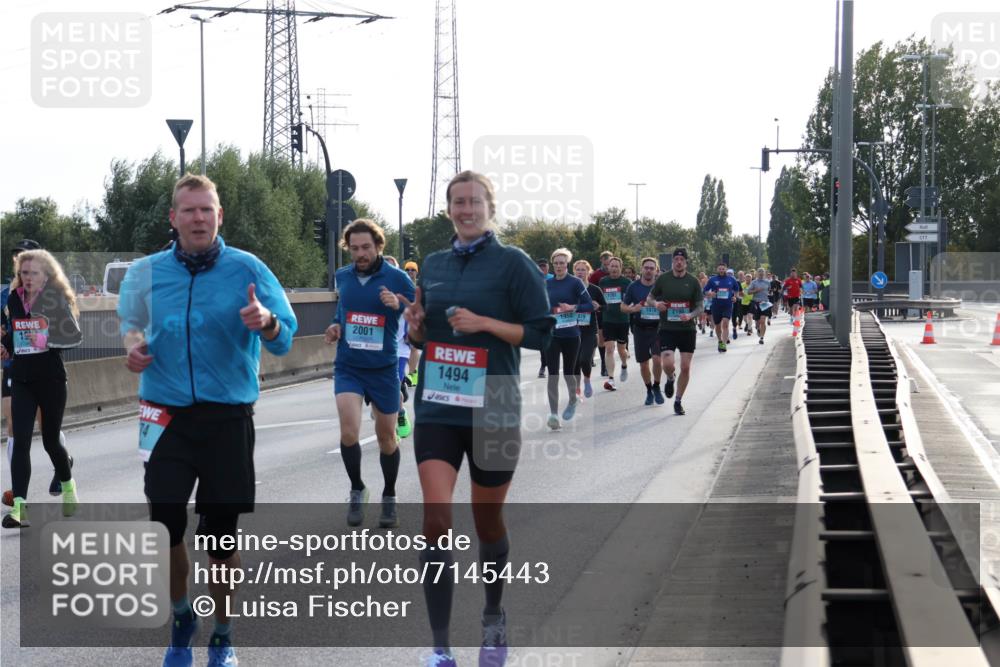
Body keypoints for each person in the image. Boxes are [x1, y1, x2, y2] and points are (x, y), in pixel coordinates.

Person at [118, 174, 298, 667]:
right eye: (189, 210)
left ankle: (222, 633)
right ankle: (181, 619)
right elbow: (130, 324)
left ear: (220, 216)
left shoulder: (248, 268)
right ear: (172, 218)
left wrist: (267, 322)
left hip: (227, 418)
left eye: (207, 210)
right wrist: (133, 347)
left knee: (219, 538)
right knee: (166, 525)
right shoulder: (145, 272)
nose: (198, 218)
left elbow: (285, 337)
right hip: (165, 416)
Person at [398, 171, 552, 667]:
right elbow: (424, 339)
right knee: (435, 520)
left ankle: (492, 614)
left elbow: (541, 334)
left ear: (490, 207)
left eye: (474, 202)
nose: (466, 209)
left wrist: (485, 323)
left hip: (496, 404)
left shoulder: (514, 264)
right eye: (458, 202)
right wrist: (417, 330)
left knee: (487, 522)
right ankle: (441, 645)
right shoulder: (436, 265)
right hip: (440, 405)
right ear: (449, 210)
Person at [324, 221, 415, 529]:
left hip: (383, 368)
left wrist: (398, 304)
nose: (360, 254)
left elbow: (420, 313)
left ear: (378, 246)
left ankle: (389, 495)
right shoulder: (343, 276)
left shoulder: (397, 277)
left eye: (366, 247)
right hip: (349, 365)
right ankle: (357, 488)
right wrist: (336, 327)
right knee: (349, 432)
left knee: (387, 437)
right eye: (354, 248)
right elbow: (342, 311)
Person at [1, 249, 82, 528]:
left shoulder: (55, 298)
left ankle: (68, 486)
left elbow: (74, 336)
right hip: (23, 379)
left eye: (34, 273)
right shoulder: (13, 298)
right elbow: (16, 335)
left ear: (45, 274)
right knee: (21, 441)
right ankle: (20, 509)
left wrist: (46, 338)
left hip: (51, 379)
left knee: (50, 441)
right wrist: (6, 347)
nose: (28, 278)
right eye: (24, 273)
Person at [648, 248, 703, 415]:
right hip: (667, 328)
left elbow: (700, 306)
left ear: (686, 262)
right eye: (676, 259)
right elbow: (649, 298)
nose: (679, 262)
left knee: (685, 368)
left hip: (687, 329)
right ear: (672, 262)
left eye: (682, 260)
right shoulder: (663, 279)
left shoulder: (693, 281)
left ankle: (678, 401)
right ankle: (671, 378)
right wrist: (656, 304)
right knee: (667, 364)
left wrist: (691, 314)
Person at [543, 248, 592, 430]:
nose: (558, 266)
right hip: (552, 336)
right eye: (555, 263)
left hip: (571, 335)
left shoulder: (576, 283)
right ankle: (554, 414)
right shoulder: (547, 284)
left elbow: (589, 305)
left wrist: (572, 307)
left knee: (568, 374)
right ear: (552, 265)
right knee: (553, 375)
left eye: (562, 263)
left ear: (567, 264)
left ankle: (572, 400)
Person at [622, 257, 665, 406]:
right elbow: (623, 307)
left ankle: (657, 386)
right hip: (639, 329)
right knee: (643, 364)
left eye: (651, 268)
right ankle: (649, 390)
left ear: (656, 271)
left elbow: (671, 305)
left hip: (658, 329)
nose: (648, 270)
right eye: (646, 267)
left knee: (657, 359)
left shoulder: (662, 286)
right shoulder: (633, 287)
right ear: (641, 269)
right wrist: (633, 309)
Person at [385, 256, 416, 440]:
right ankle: (397, 408)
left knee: (392, 385)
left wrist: (411, 333)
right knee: (379, 394)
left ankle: (399, 418)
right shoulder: (373, 291)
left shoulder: (406, 292)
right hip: (377, 350)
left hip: (399, 349)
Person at [572, 259, 605, 399]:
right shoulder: (570, 288)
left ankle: (586, 380)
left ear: (588, 272)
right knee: (574, 362)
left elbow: (605, 306)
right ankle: (576, 387)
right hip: (572, 330)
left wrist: (598, 306)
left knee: (584, 360)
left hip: (589, 330)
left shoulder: (594, 289)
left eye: (583, 270)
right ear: (574, 272)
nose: (580, 272)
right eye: (578, 270)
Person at [598, 257, 631, 390]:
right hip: (608, 319)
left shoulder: (626, 282)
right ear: (608, 267)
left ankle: (624, 365)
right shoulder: (603, 281)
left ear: (620, 268)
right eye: (612, 266)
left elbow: (631, 299)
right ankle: (611, 379)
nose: (614, 268)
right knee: (610, 349)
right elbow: (600, 298)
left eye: (617, 266)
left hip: (623, 320)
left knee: (622, 349)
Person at [704, 263, 742, 353]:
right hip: (716, 305)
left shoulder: (731, 279)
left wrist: (735, 297)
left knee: (725, 324)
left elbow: (737, 290)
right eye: (720, 269)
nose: (721, 270)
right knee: (717, 326)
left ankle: (724, 344)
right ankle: (720, 341)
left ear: (726, 269)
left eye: (723, 269)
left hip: (727, 305)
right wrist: (710, 294)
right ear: (717, 270)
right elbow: (704, 291)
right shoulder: (712, 280)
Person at [404, 261, 421, 385]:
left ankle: (413, 374)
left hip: (414, 318)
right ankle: (409, 373)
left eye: (412, 270)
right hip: (402, 318)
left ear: (416, 272)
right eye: (407, 270)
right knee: (405, 346)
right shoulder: (401, 283)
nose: (410, 272)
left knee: (413, 346)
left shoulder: (420, 287)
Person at [747, 268, 773, 344]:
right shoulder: (754, 282)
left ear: (764, 274)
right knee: (757, 322)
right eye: (759, 273)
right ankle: (758, 329)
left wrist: (769, 295)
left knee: (762, 321)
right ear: (757, 274)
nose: (761, 274)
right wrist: (756, 290)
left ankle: (762, 338)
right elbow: (748, 292)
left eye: (762, 273)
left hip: (765, 303)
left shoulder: (768, 282)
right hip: (756, 303)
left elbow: (769, 291)